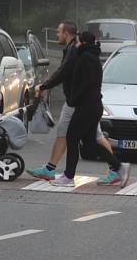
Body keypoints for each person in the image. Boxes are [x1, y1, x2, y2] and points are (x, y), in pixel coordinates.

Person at [27, 21, 114, 183]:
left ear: (66, 33)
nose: (57, 35)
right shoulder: (73, 49)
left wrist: (46, 85)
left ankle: (115, 168)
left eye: (59, 32)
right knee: (66, 133)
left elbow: (65, 72)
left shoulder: (76, 50)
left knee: (93, 136)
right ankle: (51, 169)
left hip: (79, 102)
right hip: (74, 100)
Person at [50, 32, 131, 187]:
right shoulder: (91, 57)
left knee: (72, 137)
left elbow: (86, 82)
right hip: (92, 105)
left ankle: (68, 176)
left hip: (86, 106)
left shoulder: (86, 58)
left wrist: (74, 98)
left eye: (77, 42)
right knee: (90, 142)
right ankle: (120, 167)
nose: (75, 44)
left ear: (83, 42)